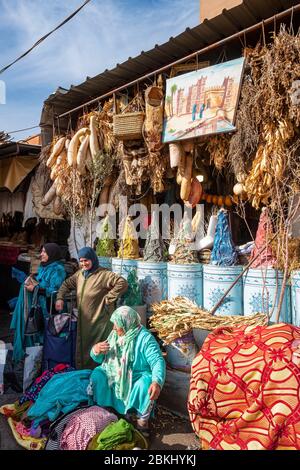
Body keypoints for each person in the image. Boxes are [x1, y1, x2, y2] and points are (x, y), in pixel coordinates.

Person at [88, 306, 166, 436]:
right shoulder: (114, 335)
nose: (113, 328)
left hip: (136, 376)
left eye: (117, 325)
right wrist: (96, 350)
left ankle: (142, 422)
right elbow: (99, 358)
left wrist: (156, 381)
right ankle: (106, 411)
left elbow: (157, 360)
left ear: (127, 323)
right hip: (114, 374)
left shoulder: (145, 338)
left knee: (146, 383)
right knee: (98, 375)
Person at [55, 247, 128, 369]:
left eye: (86, 260)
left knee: (99, 351)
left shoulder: (103, 275)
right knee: (84, 350)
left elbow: (122, 283)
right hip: (84, 322)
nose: (83, 263)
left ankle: (99, 377)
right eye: (81, 261)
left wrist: (109, 298)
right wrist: (59, 298)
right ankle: (84, 376)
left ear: (93, 259)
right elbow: (66, 284)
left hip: (99, 322)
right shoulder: (80, 275)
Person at [11, 243, 66, 362]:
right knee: (36, 333)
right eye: (41, 251)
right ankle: (35, 360)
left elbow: (55, 291)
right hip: (38, 305)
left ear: (52, 254)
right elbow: (41, 282)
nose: (41, 254)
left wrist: (36, 288)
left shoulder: (58, 269)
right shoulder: (44, 266)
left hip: (49, 308)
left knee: (46, 335)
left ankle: (46, 361)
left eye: (44, 252)